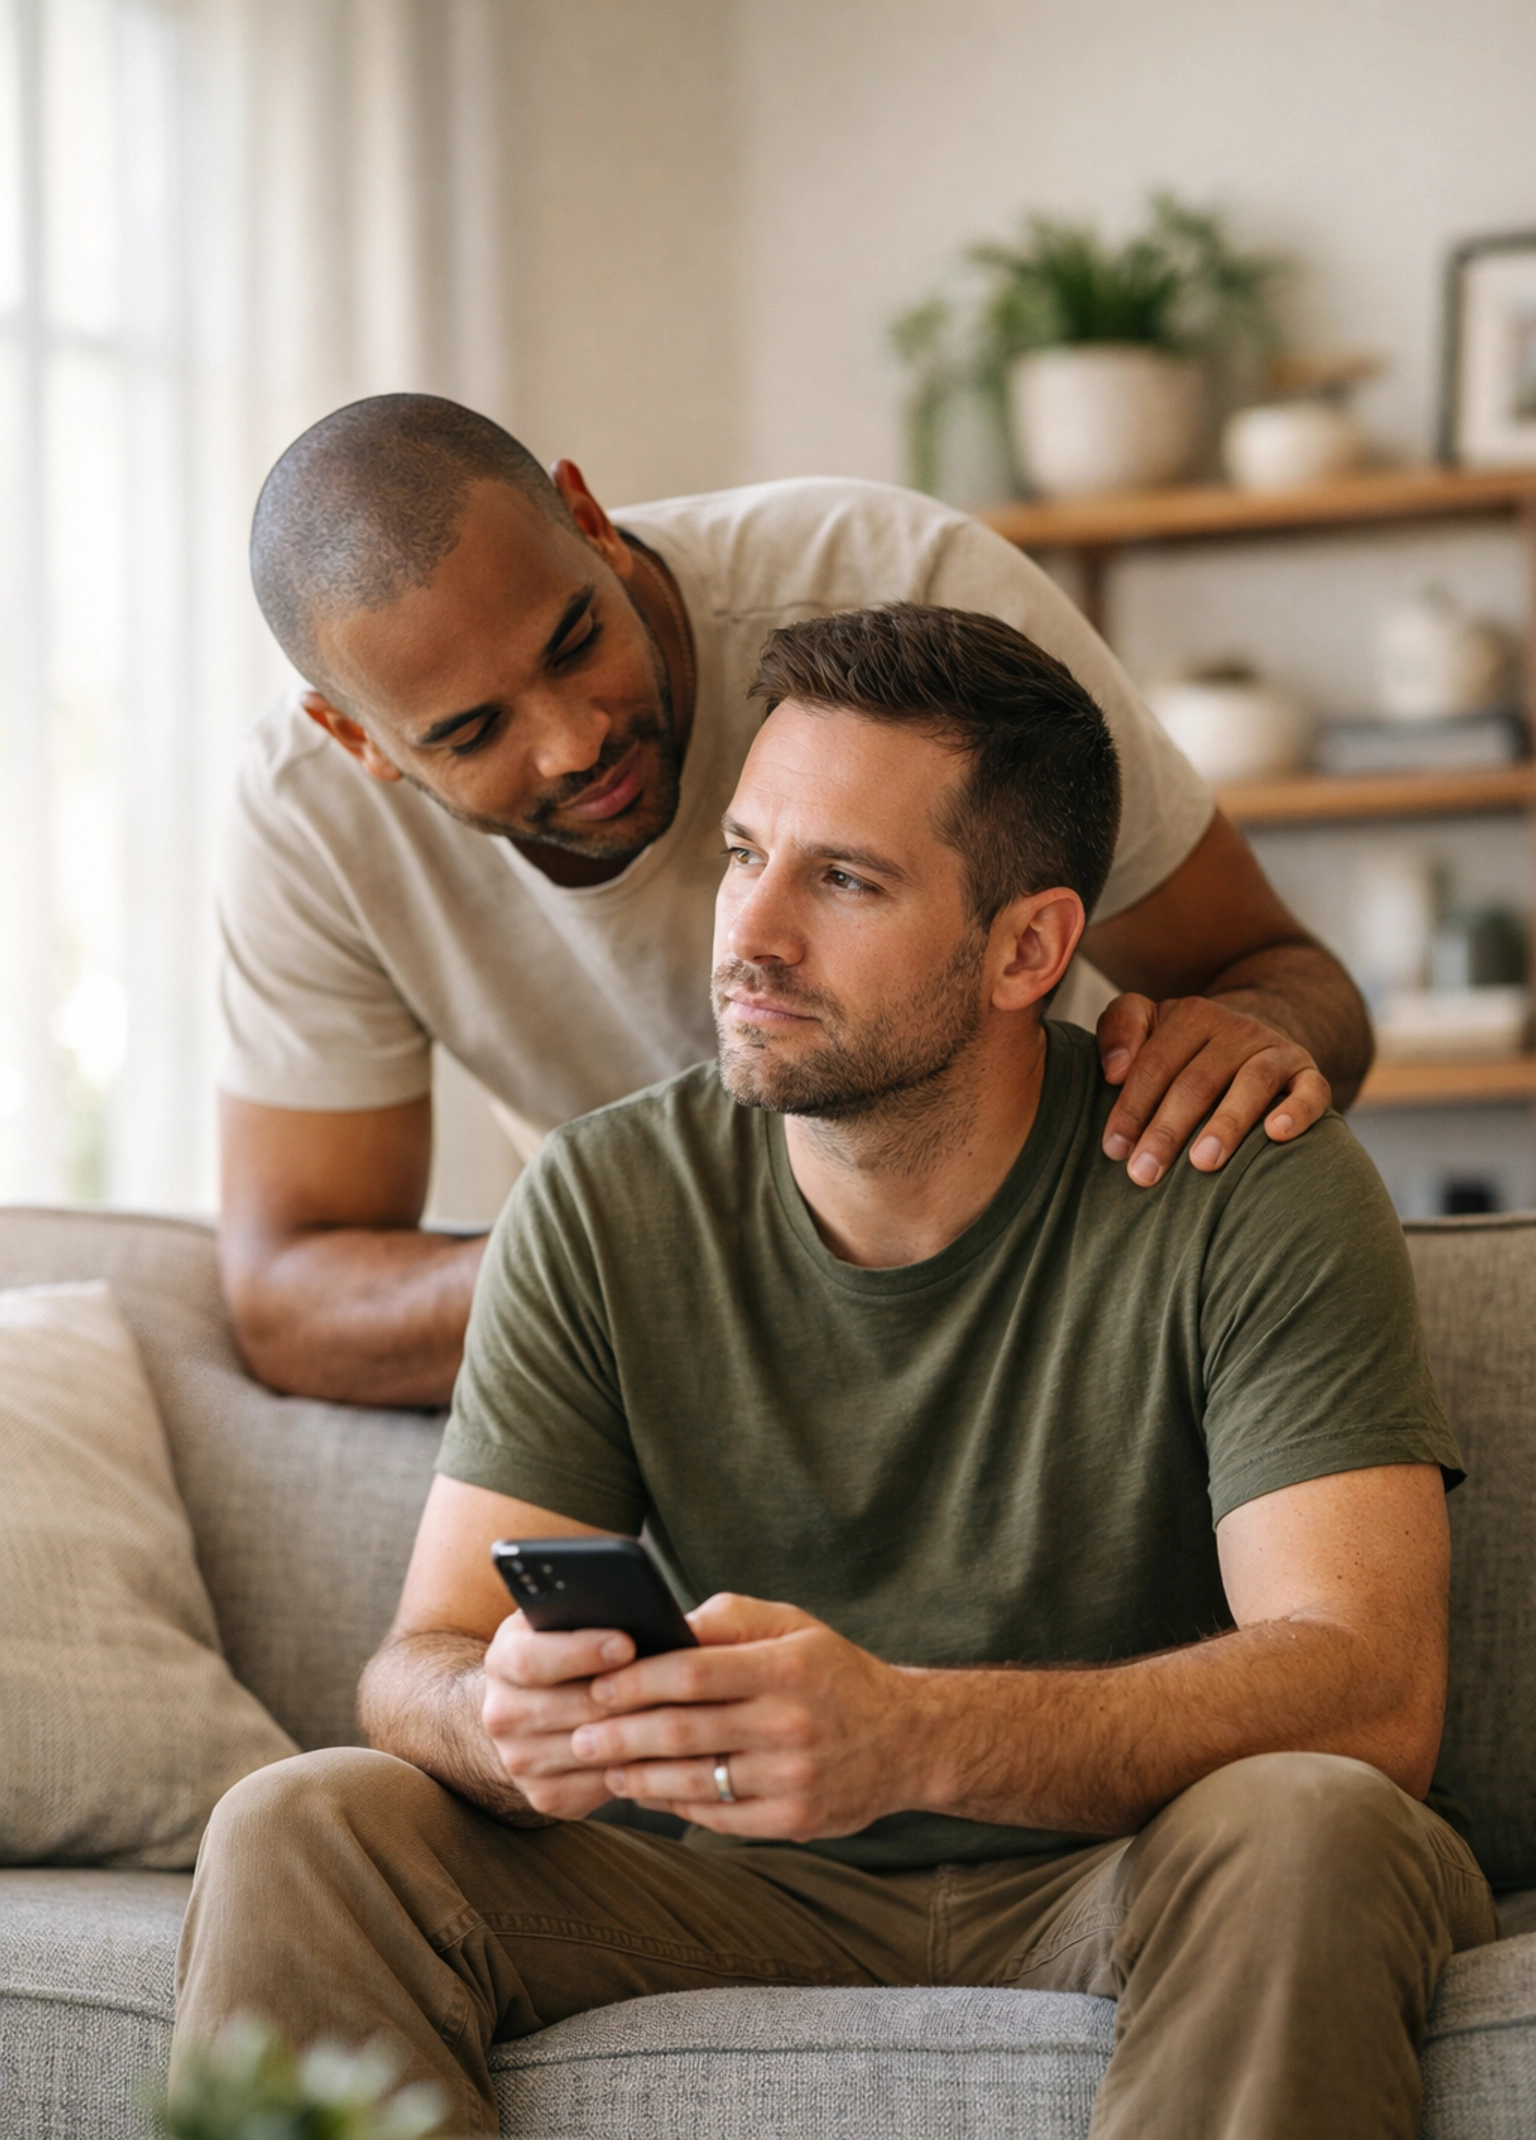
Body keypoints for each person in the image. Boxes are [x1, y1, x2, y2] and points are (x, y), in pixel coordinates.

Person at [179, 605, 1490, 2140]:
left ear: (1028, 947)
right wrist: (499, 1713)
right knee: (312, 1819)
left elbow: (1370, 1688)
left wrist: (911, 1731)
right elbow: (413, 1660)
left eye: (844, 882)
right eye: (743, 855)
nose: (751, 935)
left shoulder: (1249, 1176)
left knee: (1317, 1819)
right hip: (719, 1880)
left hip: (1125, 1870)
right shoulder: (604, 1195)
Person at [219, 394, 1372, 1407]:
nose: (575, 741)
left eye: (576, 642)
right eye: (474, 733)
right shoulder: (305, 815)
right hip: (675, 1376)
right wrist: (638, 1254)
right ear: (353, 740)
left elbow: (1290, 982)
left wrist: (1244, 1058)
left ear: (590, 519)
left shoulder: (908, 592)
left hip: (1044, 1304)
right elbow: (288, 1300)